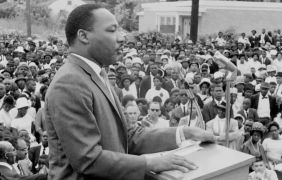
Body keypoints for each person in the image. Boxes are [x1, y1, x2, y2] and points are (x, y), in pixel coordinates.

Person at [45, 4, 215, 180]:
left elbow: (130, 135)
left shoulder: (98, 73)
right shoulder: (69, 83)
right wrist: (150, 163)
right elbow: (88, 159)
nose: (121, 38)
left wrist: (183, 133)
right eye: (112, 31)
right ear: (83, 36)